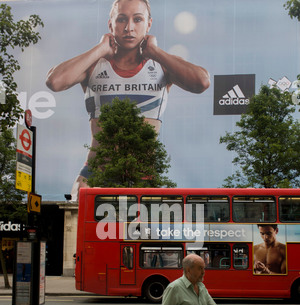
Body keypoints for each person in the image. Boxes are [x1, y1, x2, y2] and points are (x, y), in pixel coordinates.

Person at [46, 0, 210, 200]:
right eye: (122, 19)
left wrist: (156, 52)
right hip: (96, 174)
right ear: (110, 25)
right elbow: (54, 81)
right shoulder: (94, 66)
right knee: (78, 230)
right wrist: (99, 50)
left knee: (137, 232)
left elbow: (202, 82)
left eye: (138, 19)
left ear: (149, 24)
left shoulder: (161, 66)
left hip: (141, 177)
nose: (129, 27)